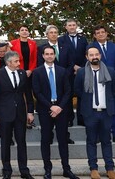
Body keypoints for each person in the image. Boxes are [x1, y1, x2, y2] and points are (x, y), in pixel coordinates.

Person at [32, 46, 79, 179]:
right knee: (46, 139)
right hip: (45, 109)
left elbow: (68, 91)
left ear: (54, 55)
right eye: (46, 54)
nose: (49, 56)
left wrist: (59, 107)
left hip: (61, 109)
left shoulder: (62, 71)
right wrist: (51, 107)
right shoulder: (37, 72)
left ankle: (66, 168)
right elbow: (37, 92)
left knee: (63, 139)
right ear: (43, 56)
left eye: (52, 54)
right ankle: (47, 169)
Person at [0, 51, 35, 179]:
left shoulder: (22, 73)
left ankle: (24, 170)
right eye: (16, 61)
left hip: (20, 115)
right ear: (8, 62)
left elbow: (28, 94)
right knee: (5, 143)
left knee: (22, 142)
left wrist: (30, 111)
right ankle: (7, 170)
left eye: (19, 61)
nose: (19, 63)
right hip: (4, 114)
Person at [74, 47, 115, 179]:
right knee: (91, 141)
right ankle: (93, 168)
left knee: (106, 141)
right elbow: (77, 90)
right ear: (87, 57)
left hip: (106, 112)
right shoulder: (81, 73)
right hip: (90, 113)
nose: (94, 57)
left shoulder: (110, 71)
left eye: (96, 54)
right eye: (91, 55)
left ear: (100, 56)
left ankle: (110, 168)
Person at [88, 25, 115, 145]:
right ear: (94, 35)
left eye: (102, 32)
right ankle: (100, 135)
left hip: (113, 83)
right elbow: (89, 64)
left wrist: (112, 77)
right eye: (97, 33)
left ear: (106, 33)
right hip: (97, 83)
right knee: (99, 111)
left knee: (114, 109)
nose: (100, 34)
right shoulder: (91, 48)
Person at [39, 25, 75, 144]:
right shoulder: (42, 48)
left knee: (65, 110)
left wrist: (64, 75)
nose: (54, 34)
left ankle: (66, 135)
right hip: (47, 84)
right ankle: (48, 135)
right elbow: (40, 66)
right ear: (47, 35)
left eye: (55, 32)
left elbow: (71, 64)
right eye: (51, 32)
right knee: (47, 113)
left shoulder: (66, 47)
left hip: (64, 83)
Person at [58, 18, 89, 127]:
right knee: (68, 95)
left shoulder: (83, 39)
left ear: (76, 26)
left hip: (82, 71)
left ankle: (82, 119)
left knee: (82, 95)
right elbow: (62, 56)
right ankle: (69, 119)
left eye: (73, 25)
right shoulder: (61, 40)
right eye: (69, 25)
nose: (71, 27)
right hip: (68, 72)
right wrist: (73, 67)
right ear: (66, 27)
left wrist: (81, 68)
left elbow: (87, 54)